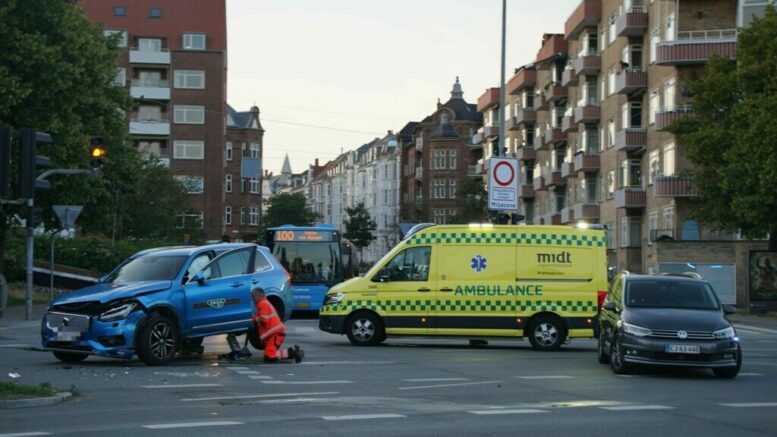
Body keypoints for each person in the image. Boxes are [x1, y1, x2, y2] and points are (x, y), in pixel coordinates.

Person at [251, 287, 304, 363]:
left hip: (276, 334)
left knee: (269, 356)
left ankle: (294, 352)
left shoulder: (263, 304)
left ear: (260, 295)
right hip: (275, 334)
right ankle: (292, 352)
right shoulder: (263, 304)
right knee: (268, 356)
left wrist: (253, 319)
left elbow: (263, 319)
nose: (252, 298)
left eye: (254, 296)